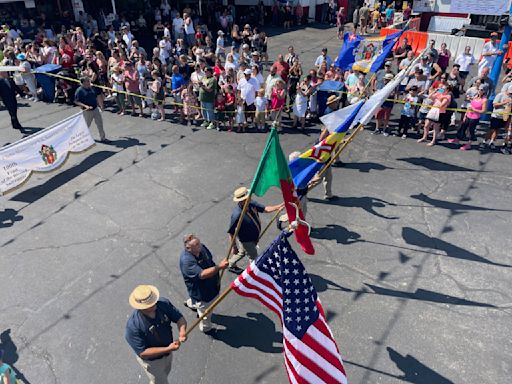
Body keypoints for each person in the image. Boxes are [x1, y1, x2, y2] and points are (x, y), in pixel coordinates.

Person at [125, 285, 187, 384]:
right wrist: (168, 349)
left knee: (166, 372)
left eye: (153, 301)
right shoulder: (133, 326)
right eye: (150, 304)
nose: (155, 305)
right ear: (141, 307)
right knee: (160, 381)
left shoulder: (163, 304)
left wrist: (182, 331)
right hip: (153, 362)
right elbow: (143, 353)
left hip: (168, 352)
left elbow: (179, 318)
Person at [227, 186, 283, 273]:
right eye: (247, 197)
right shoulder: (237, 215)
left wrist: (277, 207)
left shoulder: (250, 203)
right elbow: (231, 233)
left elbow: (265, 209)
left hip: (253, 237)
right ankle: (253, 275)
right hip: (246, 241)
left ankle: (230, 264)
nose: (250, 197)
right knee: (253, 258)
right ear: (242, 201)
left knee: (242, 252)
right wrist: (234, 247)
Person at [180, 234, 228, 334]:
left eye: (199, 243)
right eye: (196, 245)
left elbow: (210, 259)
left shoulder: (202, 249)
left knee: (198, 303)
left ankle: (192, 304)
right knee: (206, 312)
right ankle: (206, 328)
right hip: (202, 293)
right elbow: (202, 274)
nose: (200, 246)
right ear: (188, 248)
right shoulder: (187, 261)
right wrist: (219, 267)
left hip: (211, 285)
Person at [451, 85, 486, 151]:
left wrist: (474, 110)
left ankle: (469, 144)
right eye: (479, 89)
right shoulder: (475, 97)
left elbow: (483, 111)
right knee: (462, 127)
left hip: (475, 117)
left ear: (484, 91)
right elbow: (470, 106)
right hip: (468, 115)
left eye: (481, 90)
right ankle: (457, 139)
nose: (480, 91)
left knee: (470, 131)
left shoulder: (484, 100)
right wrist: (465, 115)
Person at [75, 76, 107, 142]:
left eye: (89, 81)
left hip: (95, 109)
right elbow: (76, 101)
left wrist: (101, 106)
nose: (89, 82)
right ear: (83, 82)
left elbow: (97, 97)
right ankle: (82, 138)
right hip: (87, 111)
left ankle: (103, 138)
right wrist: (85, 106)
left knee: (99, 123)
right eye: (88, 81)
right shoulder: (79, 90)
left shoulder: (92, 88)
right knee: (86, 125)